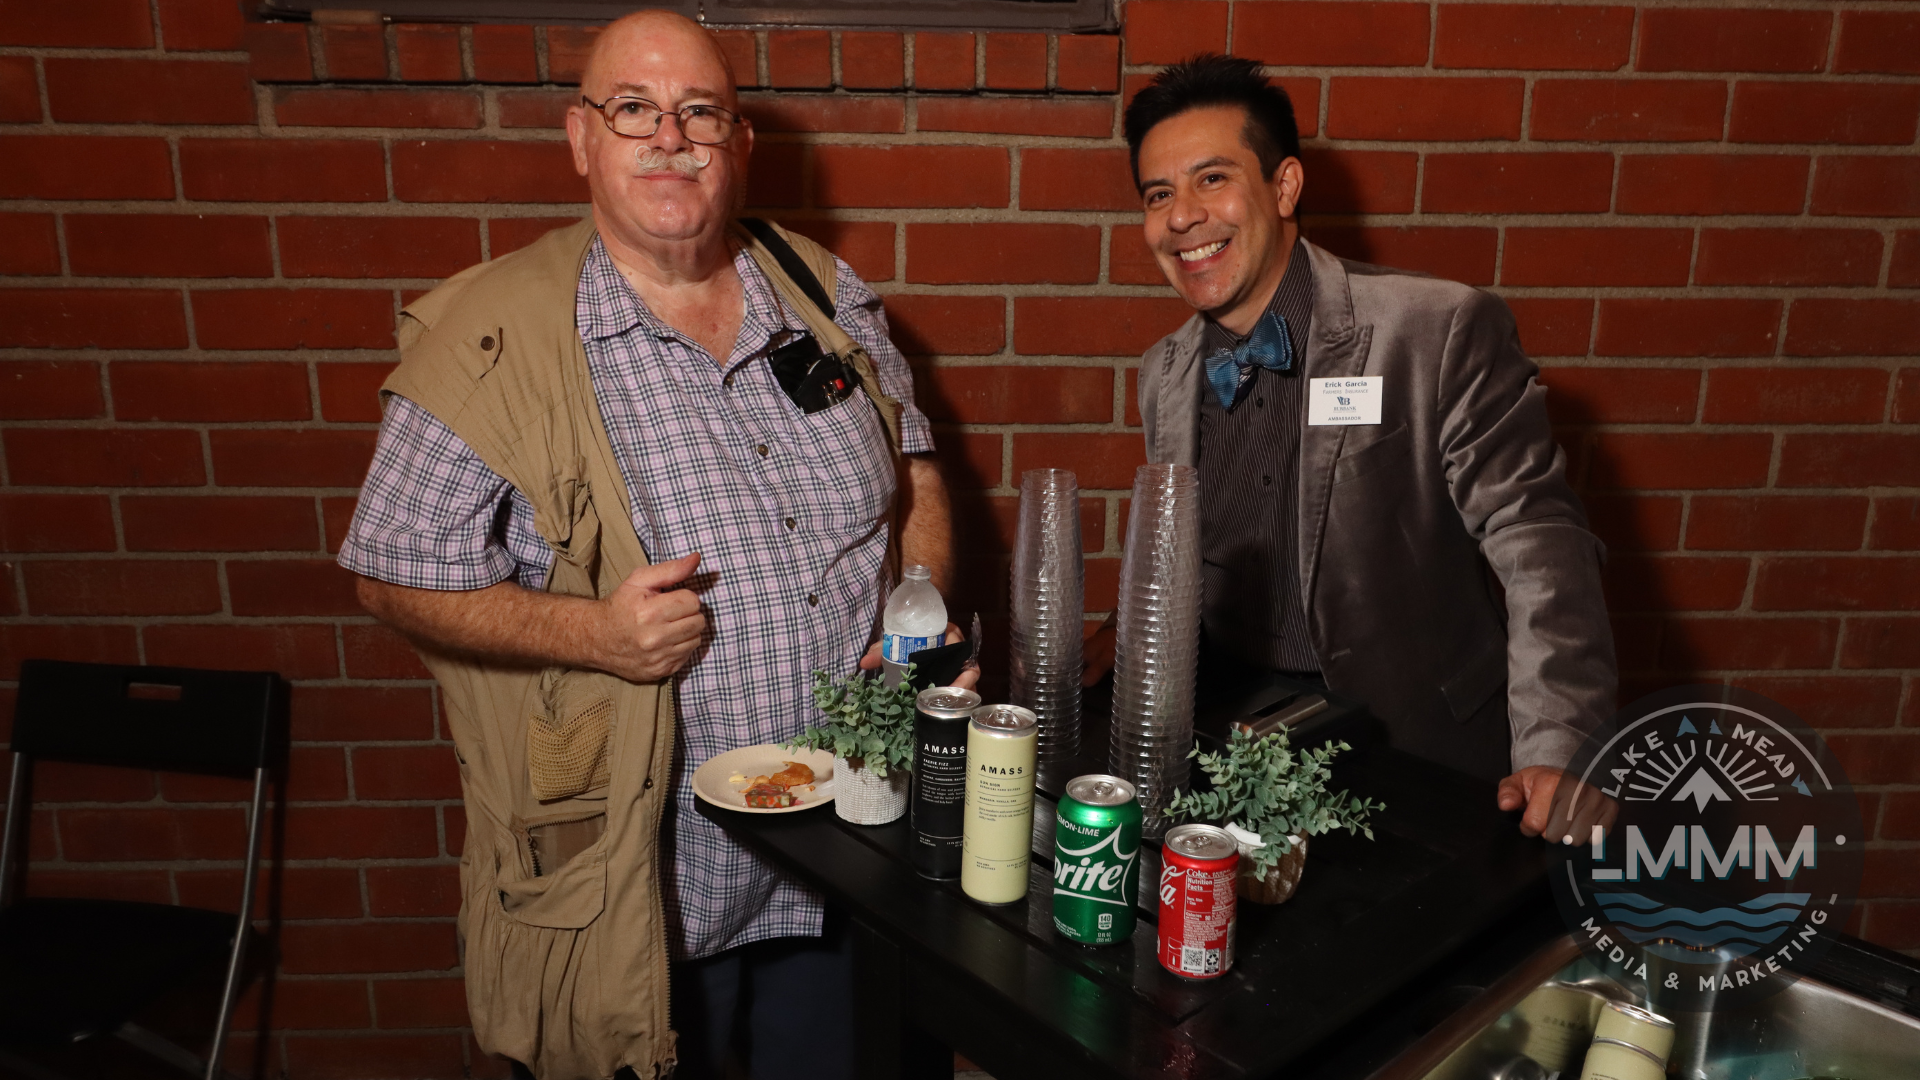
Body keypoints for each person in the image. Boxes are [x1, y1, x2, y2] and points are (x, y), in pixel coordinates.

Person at [337, 12, 962, 1079]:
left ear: (740, 143)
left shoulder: (822, 288)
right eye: (634, 110)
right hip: (661, 888)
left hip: (858, 849)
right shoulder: (492, 340)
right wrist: (595, 634)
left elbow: (917, 475)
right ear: (582, 138)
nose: (670, 137)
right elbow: (388, 574)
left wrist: (921, 614)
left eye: (700, 112)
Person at [1085, 55, 1616, 834]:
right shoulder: (1164, 371)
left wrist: (1565, 740)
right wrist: (1131, 626)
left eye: (1211, 179)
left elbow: (1536, 537)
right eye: (1158, 194)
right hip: (1228, 740)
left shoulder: (1435, 329)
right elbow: (1189, 551)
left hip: (1409, 750)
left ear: (1284, 186)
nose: (1182, 216)